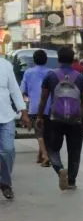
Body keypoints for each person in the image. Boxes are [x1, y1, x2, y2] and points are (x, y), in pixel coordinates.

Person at [36, 46, 83, 191]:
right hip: (76, 120)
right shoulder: (80, 77)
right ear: (73, 60)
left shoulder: (50, 76)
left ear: (58, 59)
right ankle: (71, 181)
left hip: (55, 120)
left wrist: (40, 117)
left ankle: (60, 169)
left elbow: (43, 99)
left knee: (52, 149)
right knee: (74, 151)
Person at [0, 55, 28, 200]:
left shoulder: (5, 65)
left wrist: (23, 112)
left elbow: (15, 91)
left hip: (6, 117)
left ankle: (5, 182)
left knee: (8, 150)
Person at [19, 49, 52, 168]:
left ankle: (45, 156)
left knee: (39, 133)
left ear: (34, 60)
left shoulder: (28, 72)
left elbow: (22, 90)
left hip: (34, 108)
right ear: (46, 60)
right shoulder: (51, 72)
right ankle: (40, 155)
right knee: (45, 131)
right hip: (49, 108)